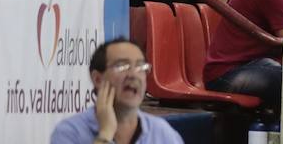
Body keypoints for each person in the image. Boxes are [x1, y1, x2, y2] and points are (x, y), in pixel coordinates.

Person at [49, 38, 183, 144]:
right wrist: (105, 134)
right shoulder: (70, 132)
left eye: (140, 66)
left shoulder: (162, 133)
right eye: (122, 66)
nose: (133, 74)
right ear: (97, 79)